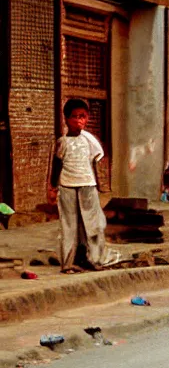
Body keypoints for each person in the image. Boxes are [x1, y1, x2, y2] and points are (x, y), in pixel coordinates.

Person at [49, 99, 118, 273]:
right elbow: (56, 166)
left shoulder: (89, 140)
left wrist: (100, 185)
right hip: (67, 186)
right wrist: (52, 187)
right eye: (74, 117)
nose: (78, 120)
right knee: (69, 225)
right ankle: (68, 263)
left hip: (88, 185)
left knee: (92, 224)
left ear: (87, 119)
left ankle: (91, 259)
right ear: (66, 119)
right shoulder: (62, 142)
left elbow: (96, 162)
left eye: (82, 117)